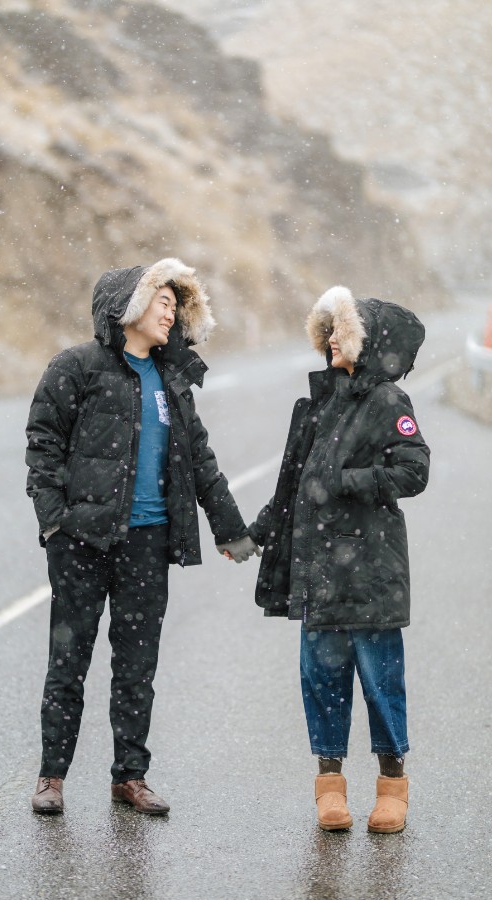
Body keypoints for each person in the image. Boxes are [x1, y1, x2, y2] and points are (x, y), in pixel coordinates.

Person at [25, 258, 260, 816]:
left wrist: (232, 532)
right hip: (82, 542)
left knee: (137, 667)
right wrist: (57, 522)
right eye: (161, 298)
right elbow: (42, 444)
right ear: (127, 305)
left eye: (176, 302)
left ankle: (129, 777)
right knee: (69, 661)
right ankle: (51, 777)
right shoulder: (76, 367)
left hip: (147, 544)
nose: (170, 309)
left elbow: (201, 460)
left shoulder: (172, 381)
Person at [248, 286, 430, 833]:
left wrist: (348, 482)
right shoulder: (320, 402)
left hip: (371, 571)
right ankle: (330, 788)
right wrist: (256, 533)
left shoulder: (389, 402)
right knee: (322, 681)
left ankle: (392, 786)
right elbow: (294, 487)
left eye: (340, 330)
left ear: (365, 342)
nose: (329, 339)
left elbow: (414, 471)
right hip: (318, 572)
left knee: (380, 681)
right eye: (326, 330)